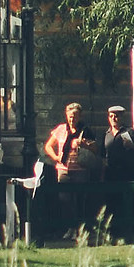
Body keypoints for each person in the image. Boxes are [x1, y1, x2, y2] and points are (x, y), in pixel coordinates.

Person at [101, 105, 134, 237]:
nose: (114, 118)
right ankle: (112, 229)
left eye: (117, 115)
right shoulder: (105, 134)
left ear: (122, 117)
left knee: (130, 200)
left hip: (127, 171)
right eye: (111, 116)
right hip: (111, 172)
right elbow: (102, 155)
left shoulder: (130, 132)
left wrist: (133, 146)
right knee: (111, 200)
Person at [40, 102, 90, 239]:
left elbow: (95, 148)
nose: (72, 119)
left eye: (74, 116)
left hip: (80, 169)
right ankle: (69, 228)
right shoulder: (61, 129)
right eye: (69, 116)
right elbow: (48, 146)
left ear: (79, 116)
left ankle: (80, 229)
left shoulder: (85, 130)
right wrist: (56, 157)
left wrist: (85, 144)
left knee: (80, 199)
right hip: (64, 169)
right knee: (65, 200)